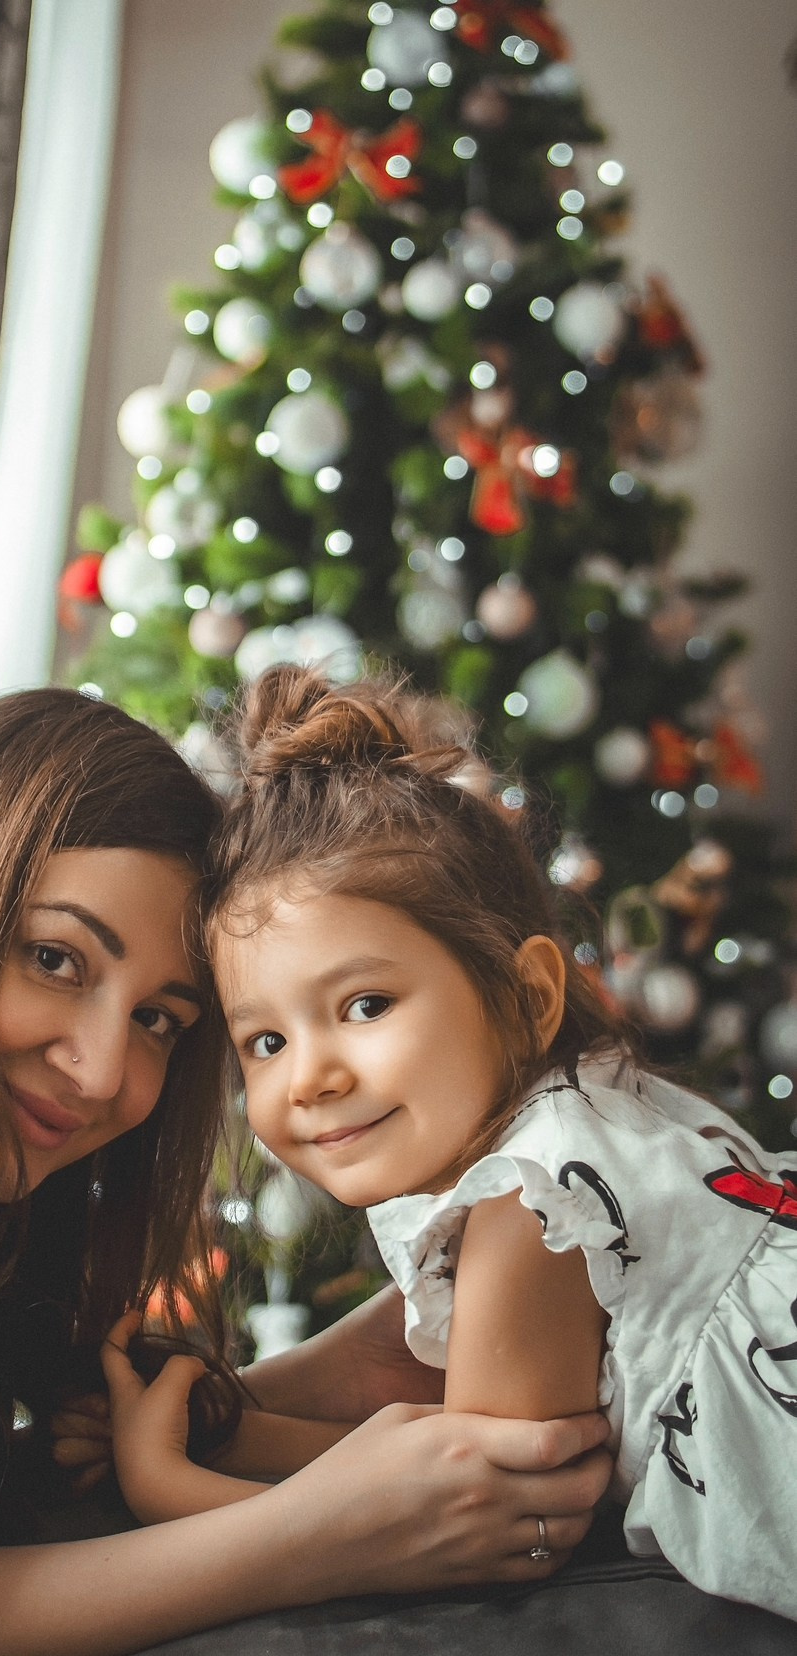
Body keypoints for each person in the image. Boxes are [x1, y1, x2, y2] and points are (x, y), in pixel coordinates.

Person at [0, 685, 610, 1656]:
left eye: (158, 1021)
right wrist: (321, 1532)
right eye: (54, 959)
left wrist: (265, 1403)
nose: (100, 1076)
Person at [103, 666, 797, 1625]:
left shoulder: (537, 1199)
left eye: (366, 1005)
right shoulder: (588, 1116)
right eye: (265, 1040)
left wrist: (169, 1481)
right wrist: (220, 1416)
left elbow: (473, 1510)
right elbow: (406, 1417)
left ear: (526, 996)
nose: (309, 1076)